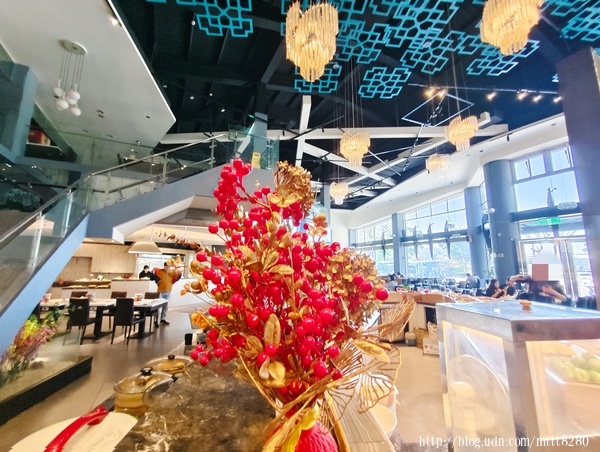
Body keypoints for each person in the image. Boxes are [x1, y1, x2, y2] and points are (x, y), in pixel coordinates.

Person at [153, 260, 183, 326]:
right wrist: (154, 270)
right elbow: (154, 272)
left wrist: (177, 268)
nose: (167, 267)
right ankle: (156, 321)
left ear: (170, 267)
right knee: (158, 307)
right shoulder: (160, 271)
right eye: (166, 266)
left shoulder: (172, 272)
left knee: (165, 307)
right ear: (164, 266)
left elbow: (178, 273)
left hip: (168, 291)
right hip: (160, 292)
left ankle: (163, 319)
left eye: (168, 266)